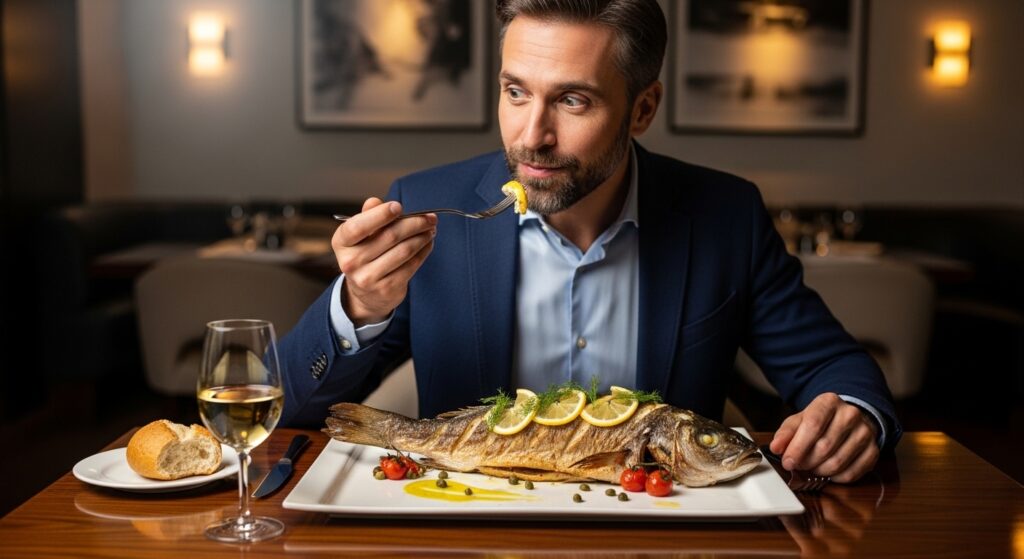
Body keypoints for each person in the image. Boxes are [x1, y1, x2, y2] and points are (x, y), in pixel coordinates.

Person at [278, 0, 899, 484]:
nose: (531, 136)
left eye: (572, 100)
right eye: (515, 91)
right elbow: (285, 410)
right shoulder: (424, 204)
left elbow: (833, 369)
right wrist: (357, 305)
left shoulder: (724, 216)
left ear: (643, 108)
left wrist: (850, 414)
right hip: (465, 523)